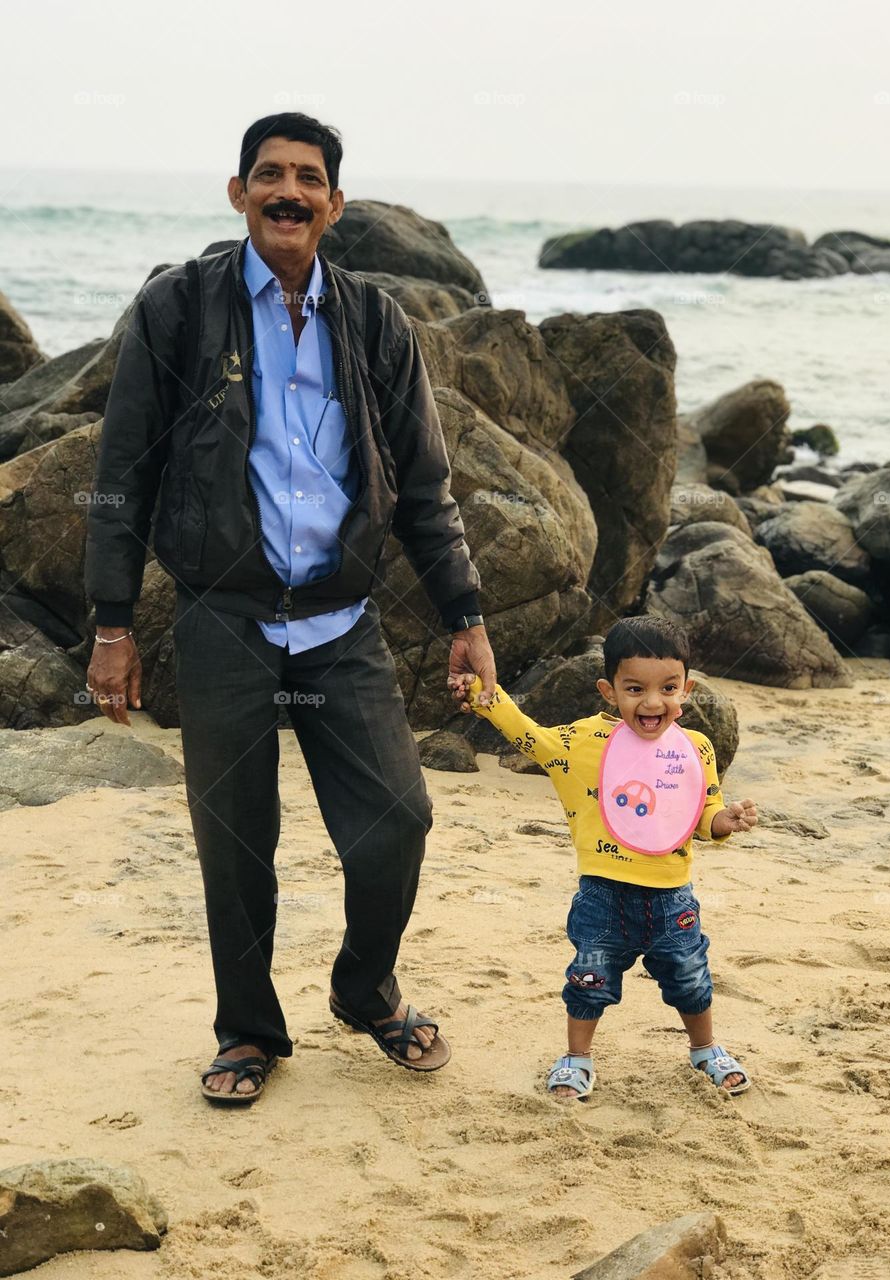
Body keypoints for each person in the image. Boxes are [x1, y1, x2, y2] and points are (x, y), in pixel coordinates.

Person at [83, 112, 496, 1103]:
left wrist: (467, 615)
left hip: (340, 620)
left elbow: (427, 488)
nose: (289, 193)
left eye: (309, 180)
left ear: (335, 205)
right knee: (236, 839)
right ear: (238, 194)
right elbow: (121, 468)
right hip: (223, 615)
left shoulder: (375, 321)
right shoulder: (179, 308)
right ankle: (248, 1030)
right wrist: (110, 622)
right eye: (269, 175)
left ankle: (365, 988)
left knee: (398, 816)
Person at [449, 615, 757, 1101]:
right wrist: (488, 697)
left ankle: (705, 1048)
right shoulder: (583, 742)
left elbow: (702, 815)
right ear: (609, 690)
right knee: (589, 977)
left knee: (691, 977)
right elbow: (528, 735)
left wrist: (727, 822)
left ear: (687, 689)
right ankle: (577, 1058)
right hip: (603, 894)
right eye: (634, 688)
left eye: (668, 688)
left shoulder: (695, 749)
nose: (652, 702)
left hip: (673, 897)